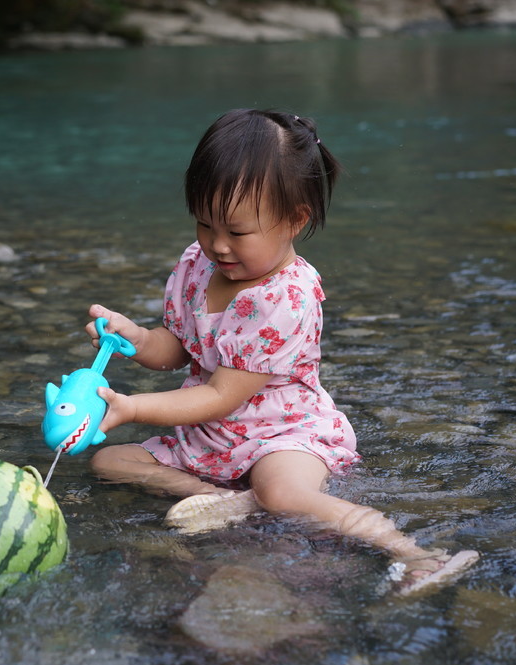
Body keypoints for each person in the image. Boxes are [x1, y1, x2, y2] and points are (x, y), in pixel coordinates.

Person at [85, 109, 478, 595]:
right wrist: (138, 340)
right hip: (210, 433)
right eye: (205, 226)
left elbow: (222, 395)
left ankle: (412, 553)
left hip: (281, 429)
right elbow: (179, 347)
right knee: (110, 463)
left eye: (237, 232)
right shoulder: (196, 263)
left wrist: (132, 408)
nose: (218, 246)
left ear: (294, 220)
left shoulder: (284, 299)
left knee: (283, 492)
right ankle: (217, 499)